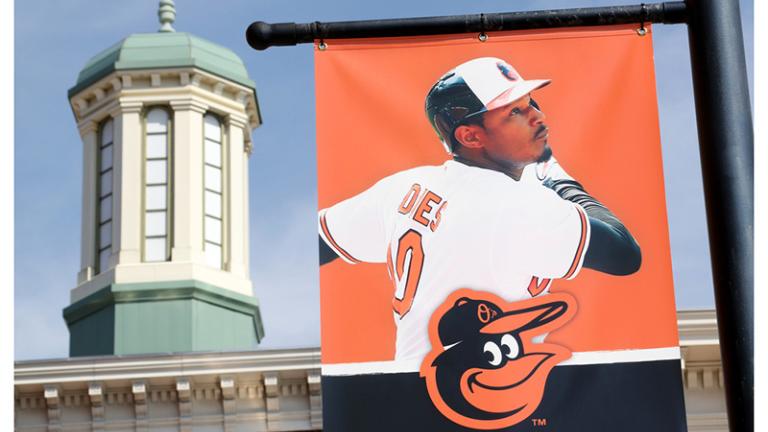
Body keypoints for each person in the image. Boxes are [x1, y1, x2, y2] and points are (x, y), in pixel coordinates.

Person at [318, 57, 641, 361]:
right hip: (480, 396)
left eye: (531, 104)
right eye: (514, 112)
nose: (537, 118)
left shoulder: (405, 186)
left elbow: (321, 241)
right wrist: (557, 178)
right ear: (470, 136)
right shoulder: (521, 203)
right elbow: (623, 254)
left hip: (405, 391)